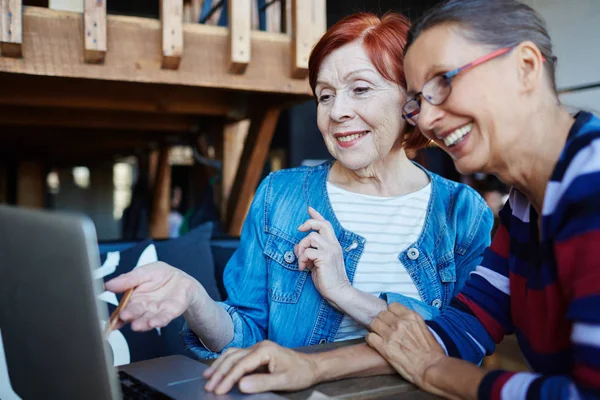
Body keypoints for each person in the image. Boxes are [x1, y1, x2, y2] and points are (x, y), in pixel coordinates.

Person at [202, 0, 600, 399]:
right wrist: (311, 365)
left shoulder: (591, 185)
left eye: (444, 81)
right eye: (419, 100)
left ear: (526, 67)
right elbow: (462, 328)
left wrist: (435, 371)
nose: (425, 119)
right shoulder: (525, 206)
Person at [105, 10, 493, 388]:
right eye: (325, 96)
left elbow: (460, 344)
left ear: (411, 101)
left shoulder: (462, 213)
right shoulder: (280, 196)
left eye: (360, 89)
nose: (337, 112)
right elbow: (246, 340)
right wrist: (195, 298)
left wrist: (344, 293)